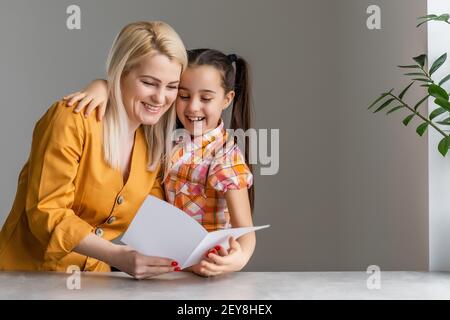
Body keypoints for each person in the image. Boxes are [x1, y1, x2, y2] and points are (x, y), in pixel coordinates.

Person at [0, 21, 188, 279]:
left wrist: (207, 253)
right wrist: (117, 256)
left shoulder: (151, 143)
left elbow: (153, 219)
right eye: (149, 83)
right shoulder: (71, 120)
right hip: (27, 277)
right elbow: (47, 212)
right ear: (121, 73)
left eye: (171, 86)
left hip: (94, 281)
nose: (160, 98)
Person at [63, 48, 256, 278]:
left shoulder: (225, 158)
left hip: (204, 271)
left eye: (205, 98)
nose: (193, 107)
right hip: (161, 266)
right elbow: (132, 99)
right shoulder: (167, 137)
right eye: (184, 96)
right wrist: (101, 86)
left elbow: (246, 231)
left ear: (227, 99)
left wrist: (239, 258)